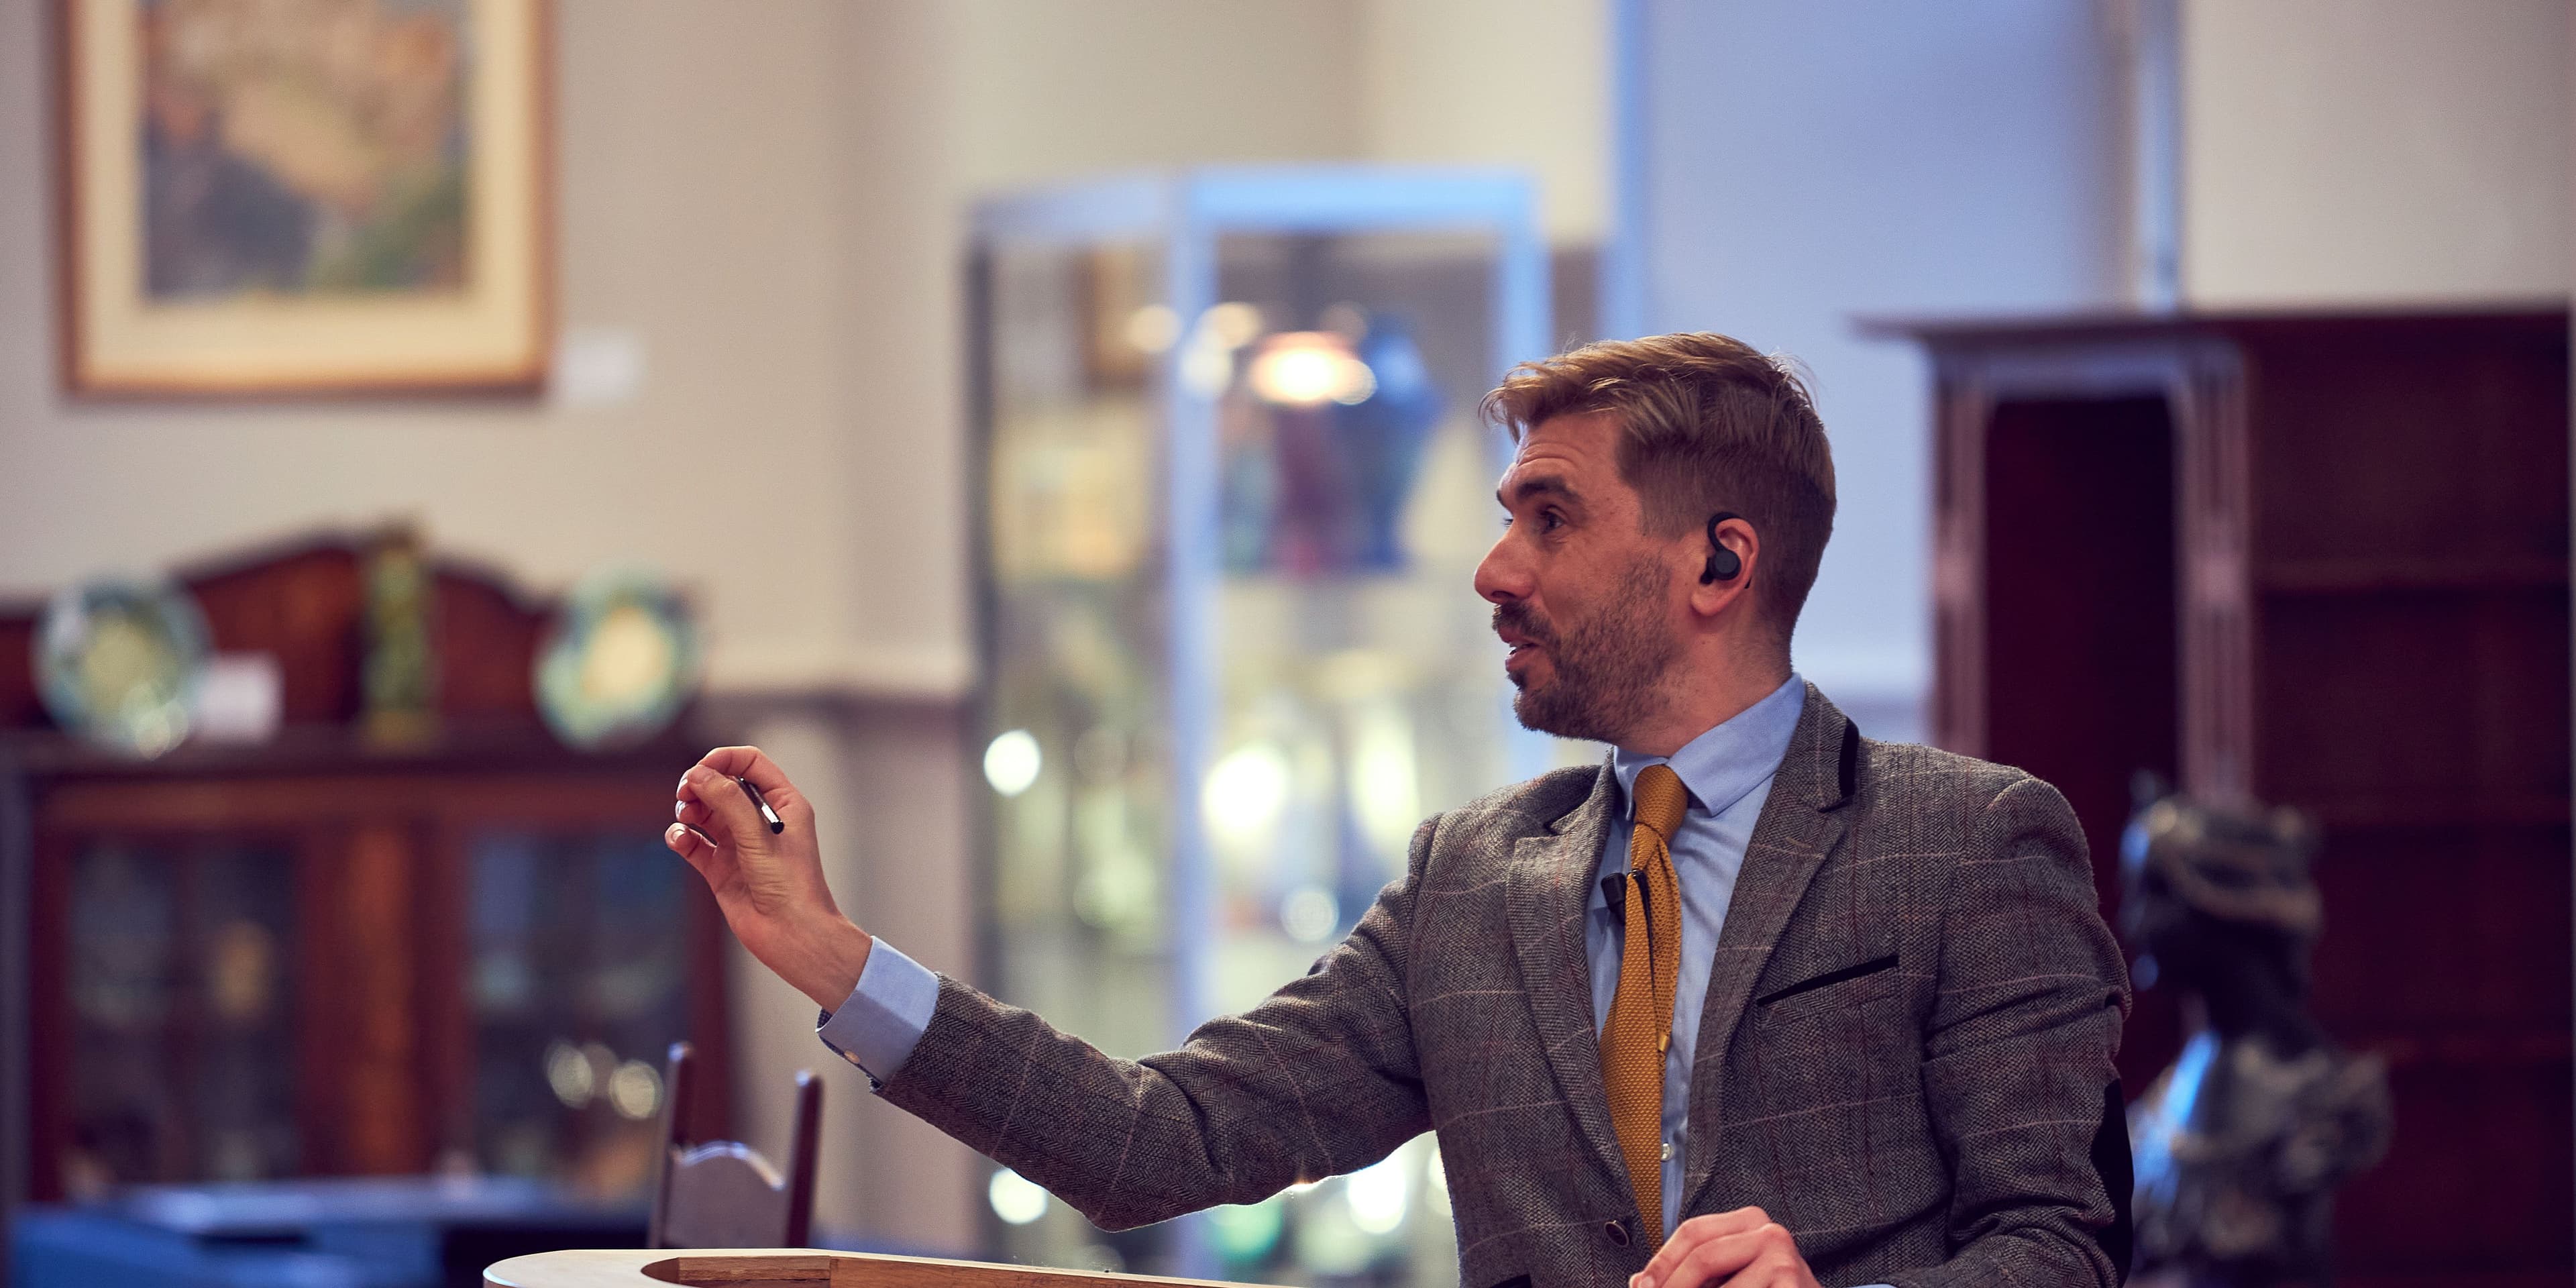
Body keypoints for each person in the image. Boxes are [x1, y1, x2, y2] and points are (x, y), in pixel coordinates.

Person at [665, 333, 2133, 1288]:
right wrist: (837, 961)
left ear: (1719, 563)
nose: (1494, 571)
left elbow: (2062, 1249)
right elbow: (1155, 1140)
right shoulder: (1469, 880)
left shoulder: (1968, 845)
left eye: (1548, 519)